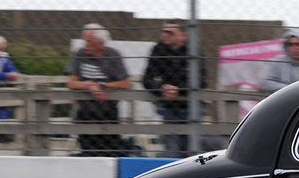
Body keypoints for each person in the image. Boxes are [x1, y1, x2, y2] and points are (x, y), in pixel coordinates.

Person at [65, 24, 131, 156]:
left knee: (111, 153)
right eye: (85, 40)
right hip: (86, 113)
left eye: (89, 41)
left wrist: (103, 86)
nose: (86, 44)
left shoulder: (113, 55)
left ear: (100, 43)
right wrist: (88, 85)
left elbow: (126, 83)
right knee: (88, 152)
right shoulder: (79, 55)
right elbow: (71, 83)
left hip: (108, 113)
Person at [142, 20, 205, 159]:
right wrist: (161, 89)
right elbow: (147, 79)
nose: (164, 35)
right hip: (170, 107)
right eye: (163, 32)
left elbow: (202, 80)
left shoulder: (194, 50)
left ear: (183, 35)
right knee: (172, 152)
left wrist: (179, 89)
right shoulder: (159, 49)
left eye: (169, 32)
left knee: (192, 152)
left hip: (192, 107)